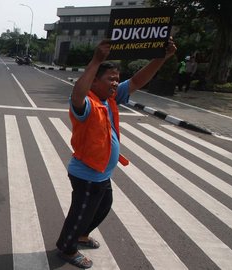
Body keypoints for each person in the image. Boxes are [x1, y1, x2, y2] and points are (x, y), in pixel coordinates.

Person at [56, 38, 176, 268]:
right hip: (87, 174)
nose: (115, 83)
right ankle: (67, 248)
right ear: (94, 81)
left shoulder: (109, 97)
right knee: (80, 214)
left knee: (102, 206)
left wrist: (162, 57)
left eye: (116, 79)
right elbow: (76, 96)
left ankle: (81, 235)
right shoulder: (86, 103)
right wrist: (95, 60)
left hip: (102, 173)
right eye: (110, 79)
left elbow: (137, 81)